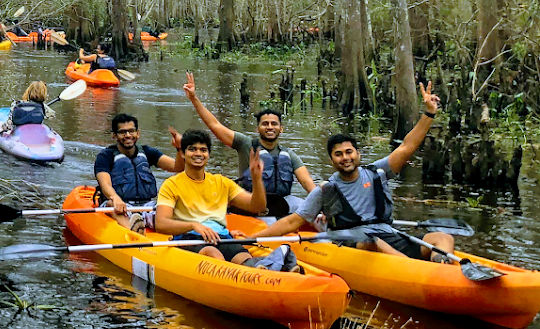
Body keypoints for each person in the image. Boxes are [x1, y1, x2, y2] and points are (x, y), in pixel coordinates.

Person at [251, 83, 456, 261]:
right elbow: (292, 221)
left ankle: (441, 262)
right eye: (338, 154)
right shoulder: (326, 191)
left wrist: (429, 114)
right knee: (373, 242)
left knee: (443, 237)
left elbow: (406, 147)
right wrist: (255, 237)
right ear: (332, 160)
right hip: (352, 242)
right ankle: (417, 270)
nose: (345, 158)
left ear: (358, 154)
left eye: (349, 152)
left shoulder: (378, 172)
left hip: (387, 234)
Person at [183, 72, 316, 218]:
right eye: (265, 124)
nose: (270, 127)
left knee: (309, 208)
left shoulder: (288, 154)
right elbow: (215, 125)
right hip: (250, 202)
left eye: (274, 124)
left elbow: (307, 182)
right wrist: (194, 98)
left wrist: (318, 205)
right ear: (257, 129)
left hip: (281, 204)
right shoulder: (245, 144)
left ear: (281, 129)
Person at [154, 127, 286, 267]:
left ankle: (272, 270)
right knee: (213, 253)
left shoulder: (221, 182)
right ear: (183, 154)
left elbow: (257, 206)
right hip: (189, 239)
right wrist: (193, 225)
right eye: (192, 149)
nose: (198, 153)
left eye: (203, 150)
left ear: (208, 155)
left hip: (222, 238)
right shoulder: (171, 185)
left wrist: (256, 179)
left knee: (244, 257)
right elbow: (161, 224)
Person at [92, 112, 168, 231]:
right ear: (114, 135)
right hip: (120, 204)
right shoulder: (106, 156)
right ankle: (132, 229)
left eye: (131, 131)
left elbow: (177, 167)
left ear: (138, 133)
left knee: (166, 208)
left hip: (146, 205)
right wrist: (115, 198)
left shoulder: (148, 152)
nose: (128, 135)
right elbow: (105, 184)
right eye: (122, 132)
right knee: (112, 204)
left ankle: (162, 228)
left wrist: (180, 149)